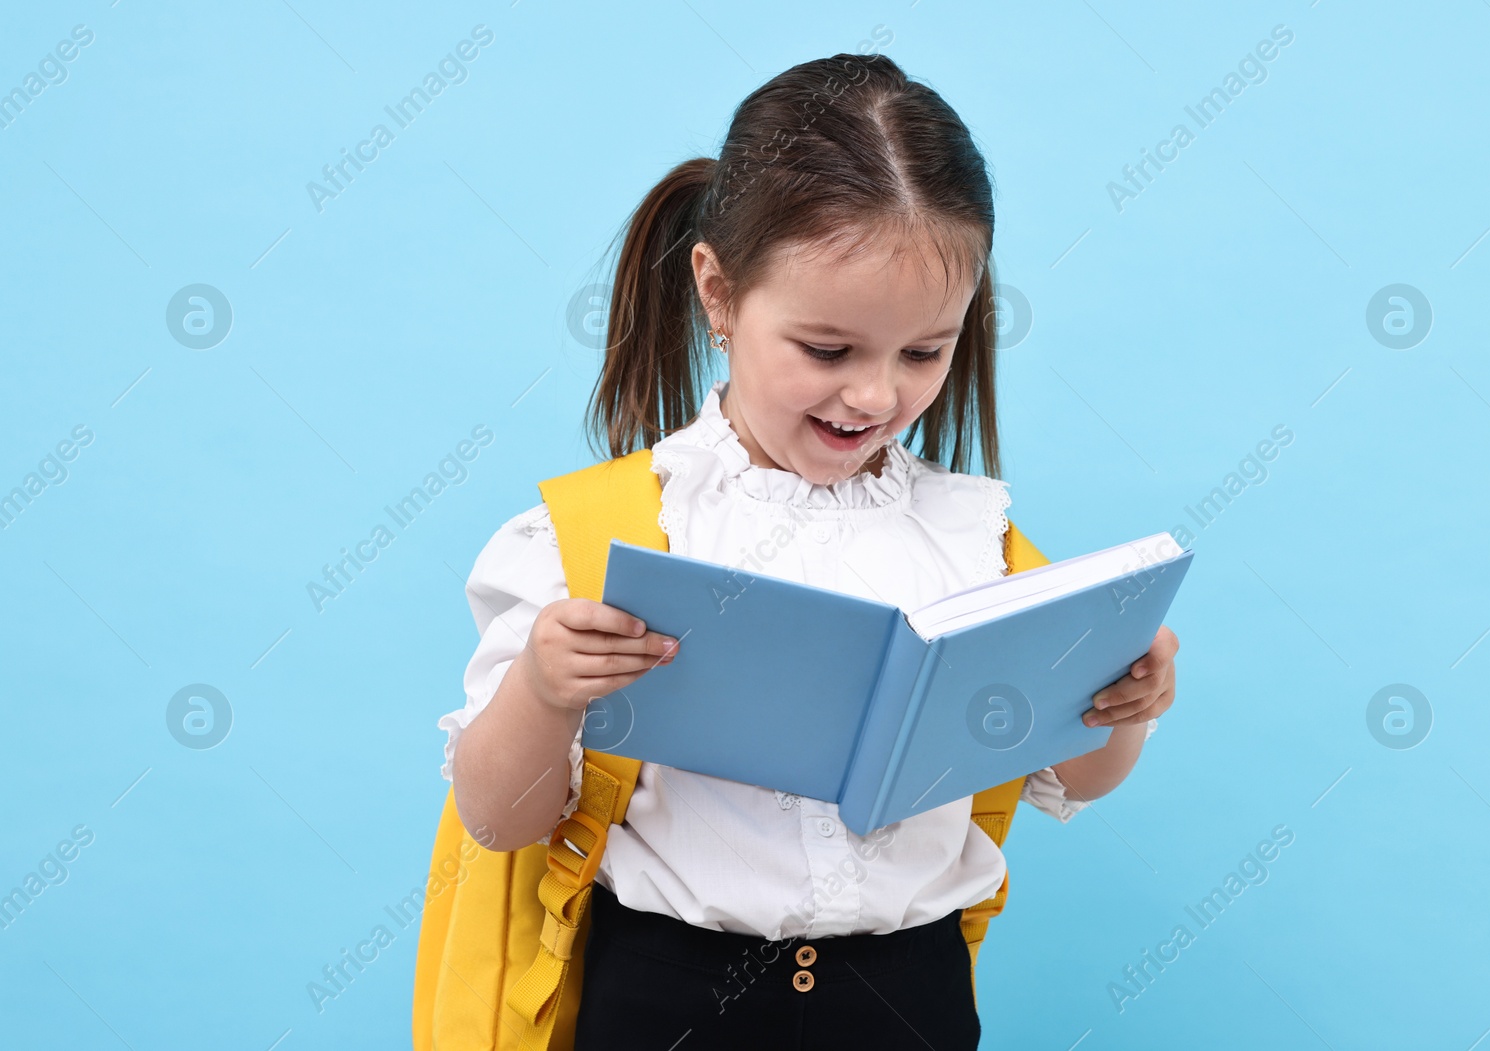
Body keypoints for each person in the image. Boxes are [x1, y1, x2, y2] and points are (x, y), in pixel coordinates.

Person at [438, 52, 1180, 1050]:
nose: (875, 395)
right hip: (665, 999)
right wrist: (542, 688)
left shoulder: (981, 546)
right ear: (719, 292)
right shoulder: (597, 538)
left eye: (924, 350)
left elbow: (1071, 779)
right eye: (827, 350)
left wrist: (1118, 708)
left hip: (906, 997)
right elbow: (500, 819)